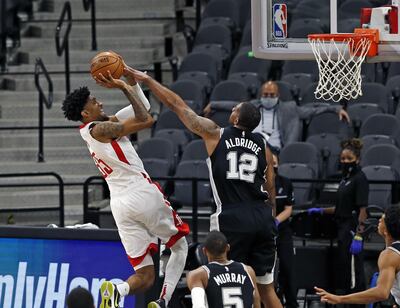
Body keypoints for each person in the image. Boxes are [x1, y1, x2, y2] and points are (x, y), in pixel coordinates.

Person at [131, 69, 282, 308]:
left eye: (234, 109)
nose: (231, 110)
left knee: (228, 282)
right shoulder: (264, 146)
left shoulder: (216, 134)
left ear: (235, 119)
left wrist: (149, 80)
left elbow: (178, 105)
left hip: (232, 217)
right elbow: (270, 187)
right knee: (266, 289)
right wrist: (270, 220)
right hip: (262, 218)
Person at [61, 59, 189, 308]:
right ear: (86, 114)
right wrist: (122, 86)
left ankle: (118, 289)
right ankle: (163, 301)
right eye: (95, 102)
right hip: (141, 193)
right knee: (180, 245)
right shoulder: (100, 129)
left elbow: (143, 105)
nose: (100, 102)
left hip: (120, 205)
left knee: (145, 275)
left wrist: (132, 77)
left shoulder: (98, 126)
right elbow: (147, 119)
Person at [308, 138, 368, 295]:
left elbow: (363, 209)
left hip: (352, 229)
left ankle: (356, 303)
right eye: (343, 159)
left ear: (357, 159)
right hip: (341, 227)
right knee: (343, 268)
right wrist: (321, 210)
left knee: (353, 270)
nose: (345, 161)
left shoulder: (360, 178)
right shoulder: (344, 180)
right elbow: (340, 207)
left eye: (349, 159)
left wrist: (359, 235)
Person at [315, 205, 400, 306]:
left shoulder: (390, 255)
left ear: (386, 231)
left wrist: (339, 299)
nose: (379, 221)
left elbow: (381, 293)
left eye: (382, 220)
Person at [252, 81, 350, 150]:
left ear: (278, 95)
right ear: (260, 95)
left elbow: (313, 110)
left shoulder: (290, 109)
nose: (268, 98)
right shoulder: (249, 108)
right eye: (265, 95)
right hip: (252, 150)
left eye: (272, 95)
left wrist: (336, 109)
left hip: (277, 152)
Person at [187, 231, 261, 308]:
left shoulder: (197, 275)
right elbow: (256, 305)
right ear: (228, 247)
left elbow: (198, 305)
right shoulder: (248, 271)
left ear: (204, 251)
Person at [272, 152, 297, 308]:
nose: (273, 165)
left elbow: (289, 209)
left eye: (275, 163)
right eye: (270, 162)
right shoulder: (258, 184)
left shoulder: (286, 183)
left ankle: (292, 303)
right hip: (264, 233)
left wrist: (276, 221)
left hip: (283, 231)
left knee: (287, 268)